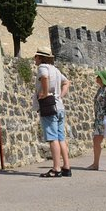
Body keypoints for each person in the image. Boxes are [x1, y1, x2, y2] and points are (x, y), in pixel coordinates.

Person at [32, 48, 71, 178]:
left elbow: (44, 77)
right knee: (61, 138)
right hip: (59, 106)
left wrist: (45, 92)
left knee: (53, 138)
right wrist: (60, 96)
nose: (34, 59)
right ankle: (66, 166)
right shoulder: (56, 69)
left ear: (40, 57)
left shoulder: (43, 67)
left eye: (36, 56)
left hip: (48, 105)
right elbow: (66, 82)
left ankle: (56, 168)